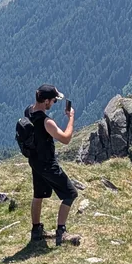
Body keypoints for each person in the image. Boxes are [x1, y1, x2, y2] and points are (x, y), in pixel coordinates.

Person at [25, 85, 80, 246]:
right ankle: (61, 232)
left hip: (35, 161)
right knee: (70, 194)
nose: (54, 103)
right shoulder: (46, 122)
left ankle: (36, 231)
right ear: (46, 100)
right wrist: (71, 118)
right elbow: (65, 138)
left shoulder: (28, 111)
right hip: (48, 164)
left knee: (38, 195)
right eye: (54, 100)